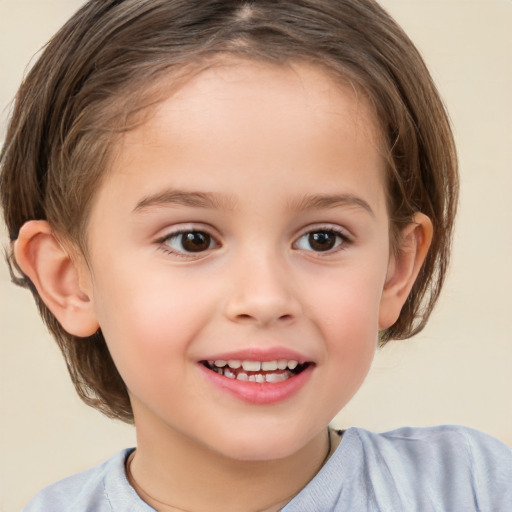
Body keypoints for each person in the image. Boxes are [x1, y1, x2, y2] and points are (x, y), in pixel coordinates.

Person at [1, 0, 510, 510]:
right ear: (68, 279)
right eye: (192, 239)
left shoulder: (472, 489)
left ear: (396, 270)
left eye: (322, 239)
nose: (265, 299)